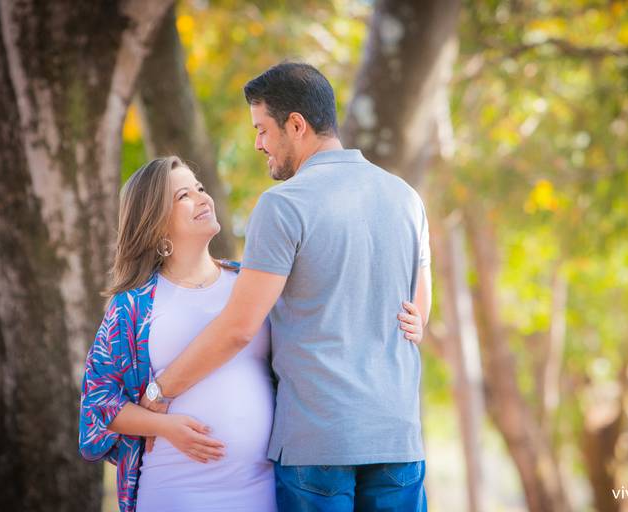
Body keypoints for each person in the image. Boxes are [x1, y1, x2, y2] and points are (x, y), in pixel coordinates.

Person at [141, 62, 433, 511]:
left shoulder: (284, 204)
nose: (258, 143)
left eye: (262, 129)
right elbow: (420, 308)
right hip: (398, 440)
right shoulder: (406, 197)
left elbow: (239, 327)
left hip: (318, 447)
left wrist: (160, 393)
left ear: (296, 125)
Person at [77, 155, 429, 511]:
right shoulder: (134, 305)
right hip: (176, 489)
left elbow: (329, 312)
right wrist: (165, 427)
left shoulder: (255, 282)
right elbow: (98, 407)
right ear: (155, 222)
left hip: (261, 490)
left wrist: (414, 314)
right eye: (183, 195)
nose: (202, 197)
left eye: (199, 187)